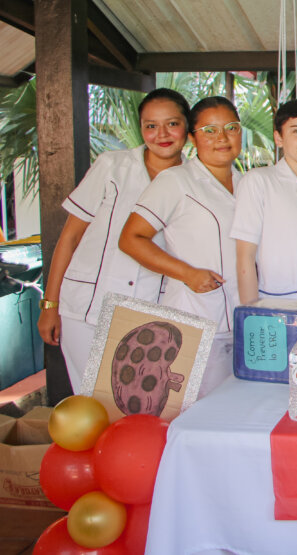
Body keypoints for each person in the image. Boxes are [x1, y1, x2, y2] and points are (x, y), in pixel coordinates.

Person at [37, 89, 190, 391]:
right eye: (150, 125)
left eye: (172, 123)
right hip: (87, 307)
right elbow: (70, 237)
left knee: (136, 404)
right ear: (141, 128)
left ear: (187, 126)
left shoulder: (195, 179)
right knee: (90, 401)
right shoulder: (112, 166)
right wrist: (49, 305)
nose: (161, 134)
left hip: (151, 313)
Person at [118, 96, 243, 397]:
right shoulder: (176, 181)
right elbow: (130, 239)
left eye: (231, 128)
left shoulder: (248, 183)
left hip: (244, 320)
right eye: (209, 130)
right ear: (192, 137)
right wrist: (187, 273)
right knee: (197, 411)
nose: (222, 138)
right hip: (195, 317)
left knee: (236, 409)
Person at [232, 99, 297, 309]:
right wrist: (252, 315)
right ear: (279, 138)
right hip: (278, 306)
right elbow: (245, 258)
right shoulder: (259, 181)